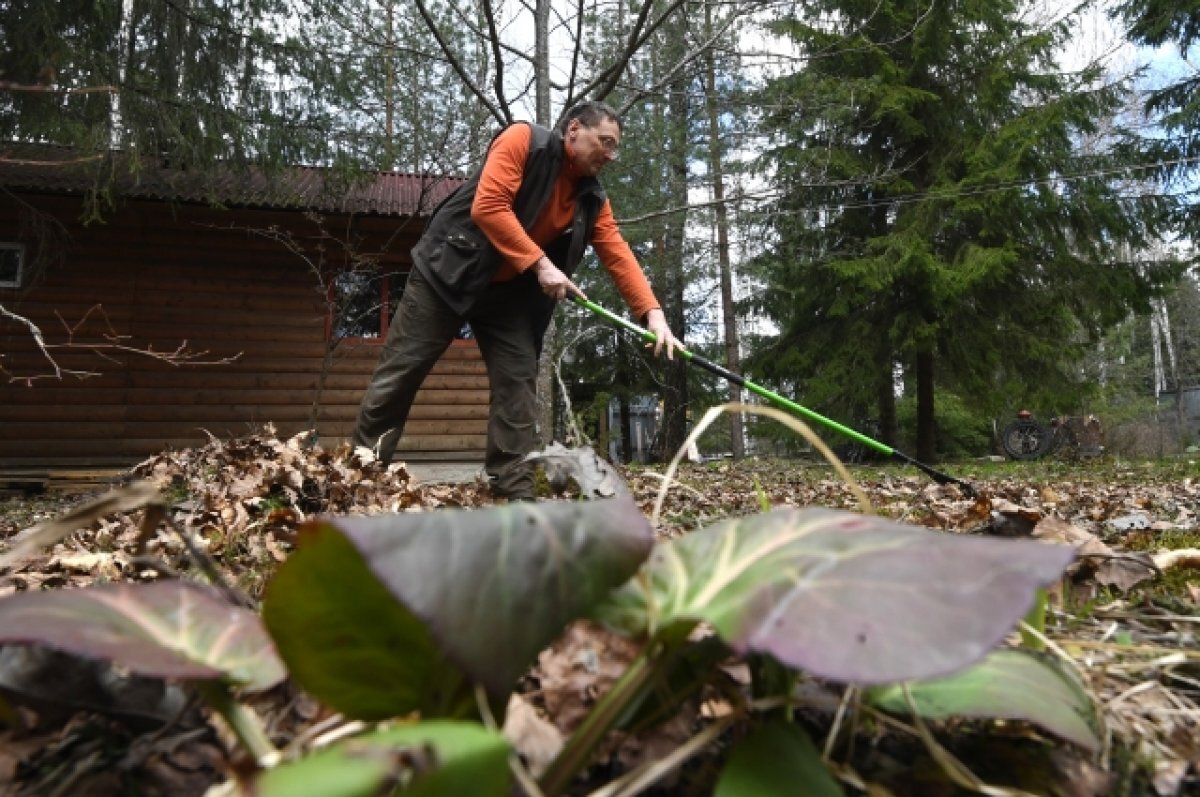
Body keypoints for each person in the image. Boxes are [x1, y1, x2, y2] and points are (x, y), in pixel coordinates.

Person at [352, 100, 681, 500]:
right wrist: (541, 265)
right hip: (449, 272)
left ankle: (514, 491)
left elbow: (617, 252)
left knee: (518, 388)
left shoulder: (592, 198)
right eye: (605, 142)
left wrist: (653, 314)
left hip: (510, 295)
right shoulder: (523, 141)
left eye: (616, 149)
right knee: (402, 372)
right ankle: (361, 473)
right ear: (574, 130)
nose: (611, 156)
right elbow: (489, 207)